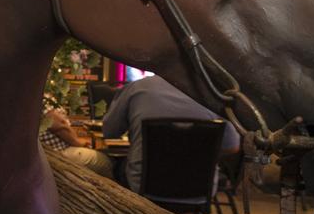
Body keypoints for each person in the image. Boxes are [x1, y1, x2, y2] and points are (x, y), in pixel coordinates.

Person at [102, 75, 239, 192]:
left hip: (143, 187)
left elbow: (109, 132)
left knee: (109, 167)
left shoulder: (138, 87)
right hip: (198, 189)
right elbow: (232, 146)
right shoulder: (212, 94)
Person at [39, 98, 114, 178]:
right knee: (105, 161)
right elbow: (60, 126)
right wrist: (77, 142)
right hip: (57, 153)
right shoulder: (41, 98)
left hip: (49, 152)